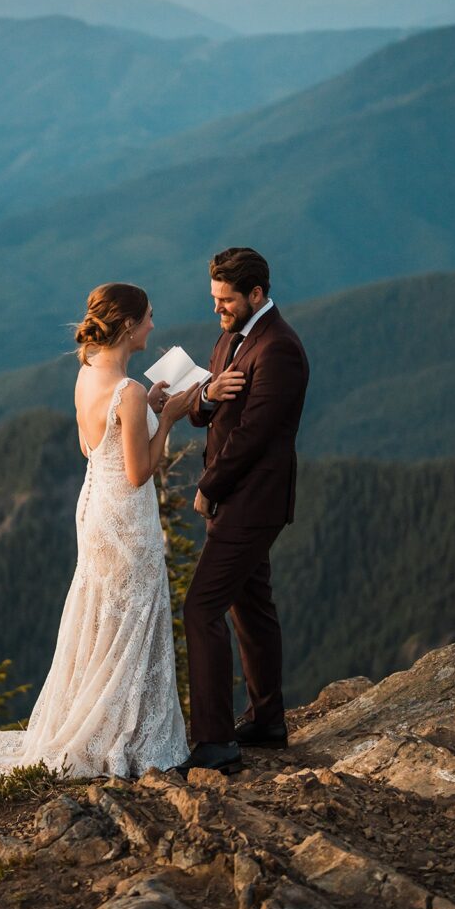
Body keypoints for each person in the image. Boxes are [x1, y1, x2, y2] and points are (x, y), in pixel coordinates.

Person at [0, 282, 196, 818]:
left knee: (104, 617)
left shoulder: (88, 376)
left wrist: (151, 409)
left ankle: (97, 721)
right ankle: (126, 736)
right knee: (132, 617)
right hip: (126, 521)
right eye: (147, 317)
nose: (153, 324)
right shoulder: (127, 389)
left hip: (96, 513)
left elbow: (90, 446)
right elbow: (140, 472)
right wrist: (167, 418)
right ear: (127, 326)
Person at [177, 247, 309, 777]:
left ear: (256, 293)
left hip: (252, 501)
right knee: (250, 606)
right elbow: (210, 412)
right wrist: (205, 396)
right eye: (214, 298)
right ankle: (267, 721)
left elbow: (256, 434)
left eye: (226, 299)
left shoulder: (279, 349)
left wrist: (209, 486)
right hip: (238, 497)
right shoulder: (234, 337)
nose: (217, 309)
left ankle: (215, 742)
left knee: (200, 608)